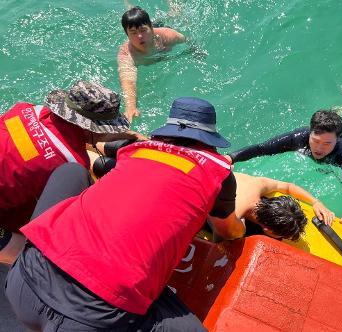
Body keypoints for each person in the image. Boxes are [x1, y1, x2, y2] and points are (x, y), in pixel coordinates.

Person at [5, 96, 245, 331]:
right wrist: (240, 226)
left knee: (71, 172)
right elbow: (228, 231)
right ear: (210, 139)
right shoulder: (219, 173)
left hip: (22, 285)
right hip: (91, 320)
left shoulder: (136, 151)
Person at [0, 80, 145, 264]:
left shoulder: (26, 109)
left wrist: (121, 135)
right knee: (34, 259)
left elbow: (45, 146)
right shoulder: (70, 165)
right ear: (90, 128)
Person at [226, 109, 342, 239]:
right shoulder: (298, 137)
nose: (319, 148)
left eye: (327, 143)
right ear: (310, 131)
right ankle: (338, 111)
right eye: (315, 140)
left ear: (337, 139)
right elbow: (261, 148)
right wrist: (231, 157)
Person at [118, 6, 186, 122]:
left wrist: (195, 51)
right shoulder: (127, 54)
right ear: (127, 34)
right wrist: (131, 107)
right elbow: (128, 80)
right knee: (132, 12)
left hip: (161, 29)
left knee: (176, 15)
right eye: (133, 33)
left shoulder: (167, 35)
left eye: (143, 30)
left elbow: (186, 40)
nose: (139, 36)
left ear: (151, 28)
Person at [229, 172, 334, 241]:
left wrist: (316, 202)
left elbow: (287, 187)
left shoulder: (258, 184)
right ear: (267, 229)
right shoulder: (233, 215)